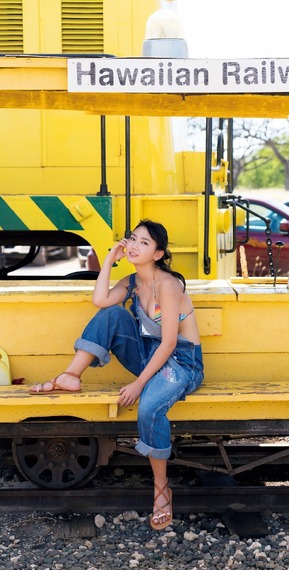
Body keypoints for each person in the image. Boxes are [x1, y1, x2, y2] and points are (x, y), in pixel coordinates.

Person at [30, 219, 204, 530]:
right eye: (133, 239)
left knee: (149, 408)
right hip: (150, 355)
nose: (135, 246)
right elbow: (101, 300)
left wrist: (138, 384)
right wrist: (109, 259)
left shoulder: (169, 285)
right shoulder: (133, 281)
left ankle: (161, 490)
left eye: (144, 243)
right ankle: (71, 375)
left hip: (181, 361)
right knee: (111, 314)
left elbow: (168, 343)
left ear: (158, 254)